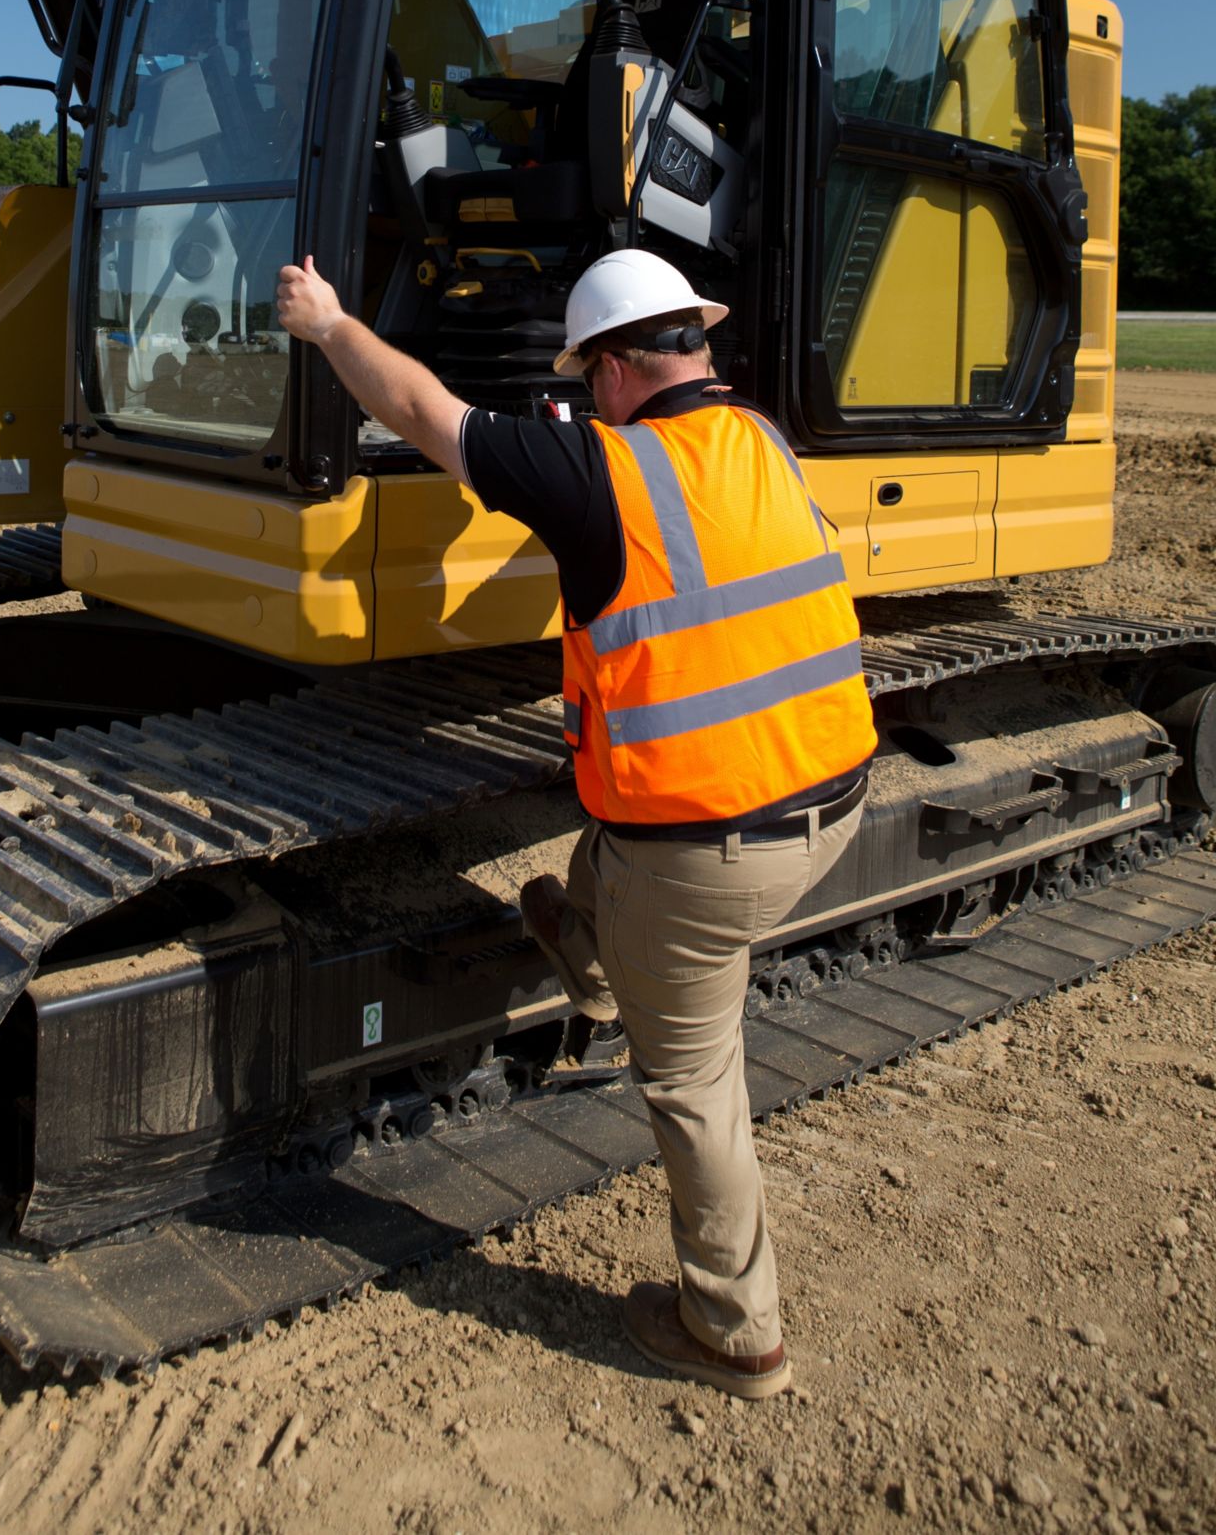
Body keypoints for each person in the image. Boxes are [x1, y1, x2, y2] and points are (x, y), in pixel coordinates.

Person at [274, 244, 875, 1401]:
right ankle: (595, 961)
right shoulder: (758, 438)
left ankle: (733, 1329)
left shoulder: (593, 470)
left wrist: (329, 323)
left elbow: (422, 410)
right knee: (606, 848)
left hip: (709, 855)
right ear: (693, 346)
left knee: (694, 1082)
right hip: (833, 797)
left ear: (604, 370)